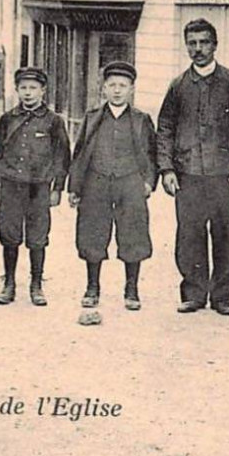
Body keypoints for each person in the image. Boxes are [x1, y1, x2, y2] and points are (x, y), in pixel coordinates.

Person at [156, 19, 229, 315]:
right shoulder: (178, 86)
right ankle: (194, 292)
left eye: (204, 42)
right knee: (189, 234)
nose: (198, 49)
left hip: (224, 174)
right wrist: (167, 169)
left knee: (226, 234)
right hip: (187, 173)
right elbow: (164, 127)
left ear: (215, 45)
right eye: (192, 43)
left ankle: (223, 296)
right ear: (186, 45)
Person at [68, 62, 158, 311]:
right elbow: (80, 153)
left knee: (133, 234)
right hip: (96, 182)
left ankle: (131, 289)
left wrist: (149, 181)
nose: (117, 90)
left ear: (131, 89)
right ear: (103, 89)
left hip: (130, 182)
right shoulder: (92, 117)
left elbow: (152, 154)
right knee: (92, 233)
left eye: (123, 86)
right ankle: (92, 287)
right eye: (112, 85)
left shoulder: (142, 120)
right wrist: (75, 188)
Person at [0, 67, 71, 307]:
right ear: (17, 90)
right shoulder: (8, 118)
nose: (28, 93)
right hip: (11, 185)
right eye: (23, 88)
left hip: (39, 187)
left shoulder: (54, 121)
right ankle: (9, 283)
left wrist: (57, 188)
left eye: (33, 88)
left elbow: (62, 157)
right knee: (9, 235)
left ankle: (36, 284)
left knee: (38, 237)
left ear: (43, 91)